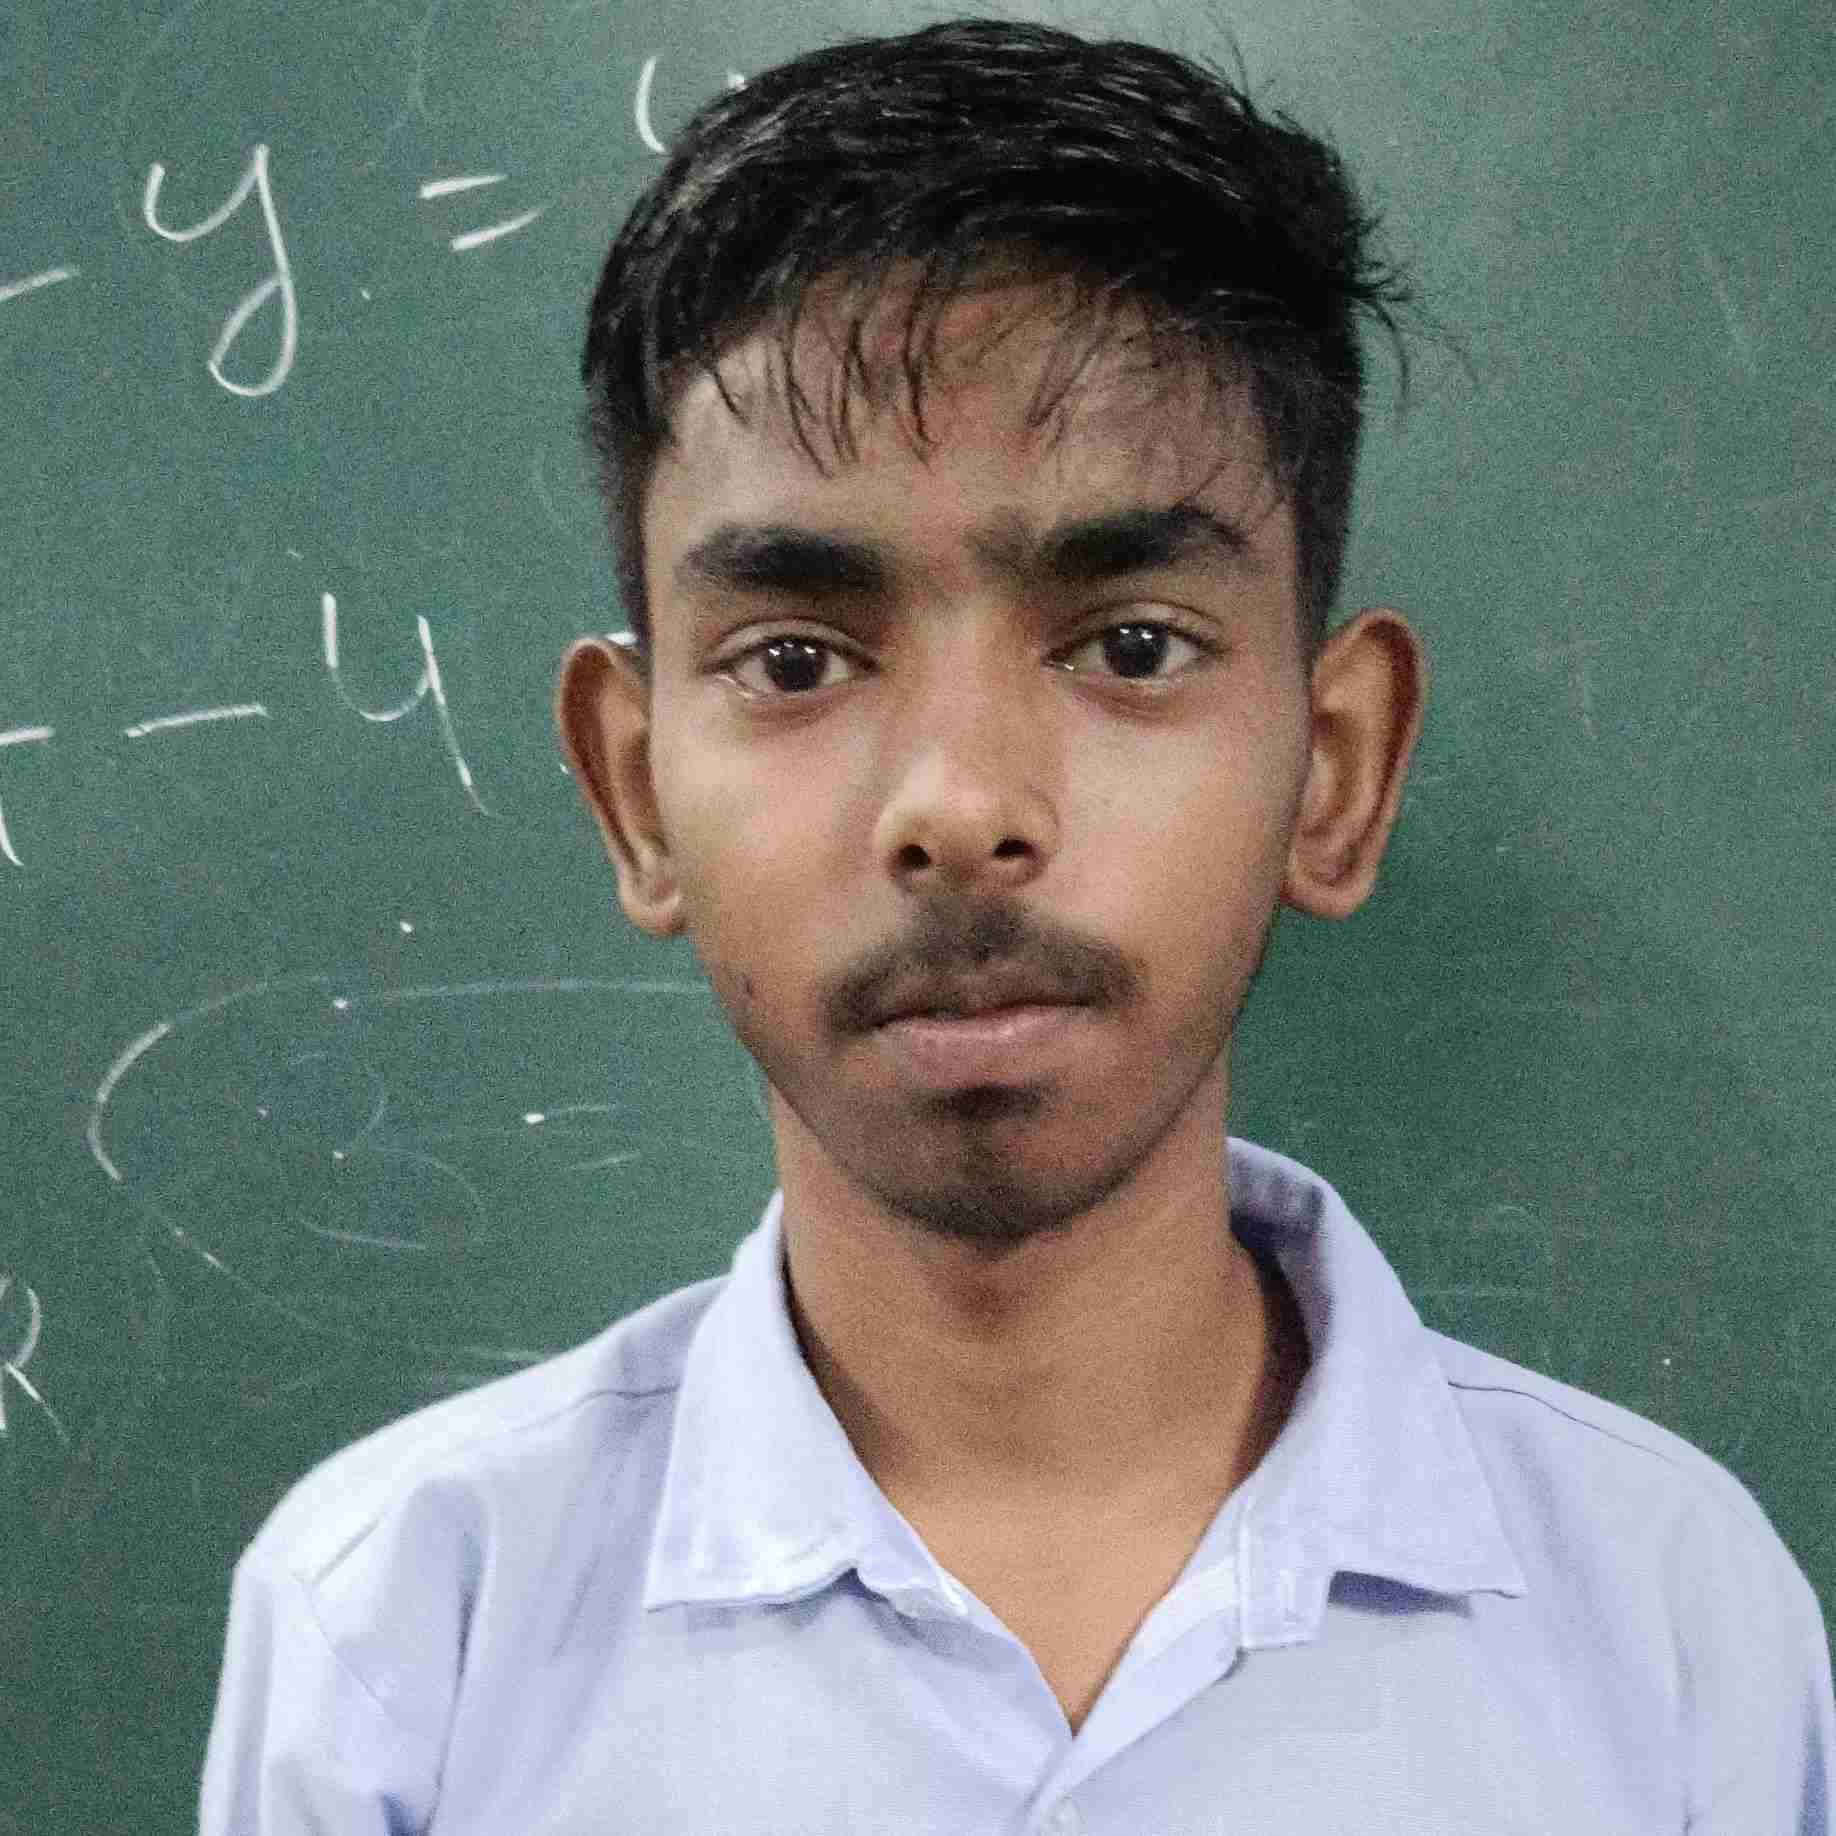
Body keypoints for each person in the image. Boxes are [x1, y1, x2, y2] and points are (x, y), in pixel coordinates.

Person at [199, 18, 1833, 1832]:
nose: (961, 804)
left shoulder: (1674, 1631)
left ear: (1336, 772)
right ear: (637, 794)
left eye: (1132, 644)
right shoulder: (401, 1637)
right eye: (796, 660)